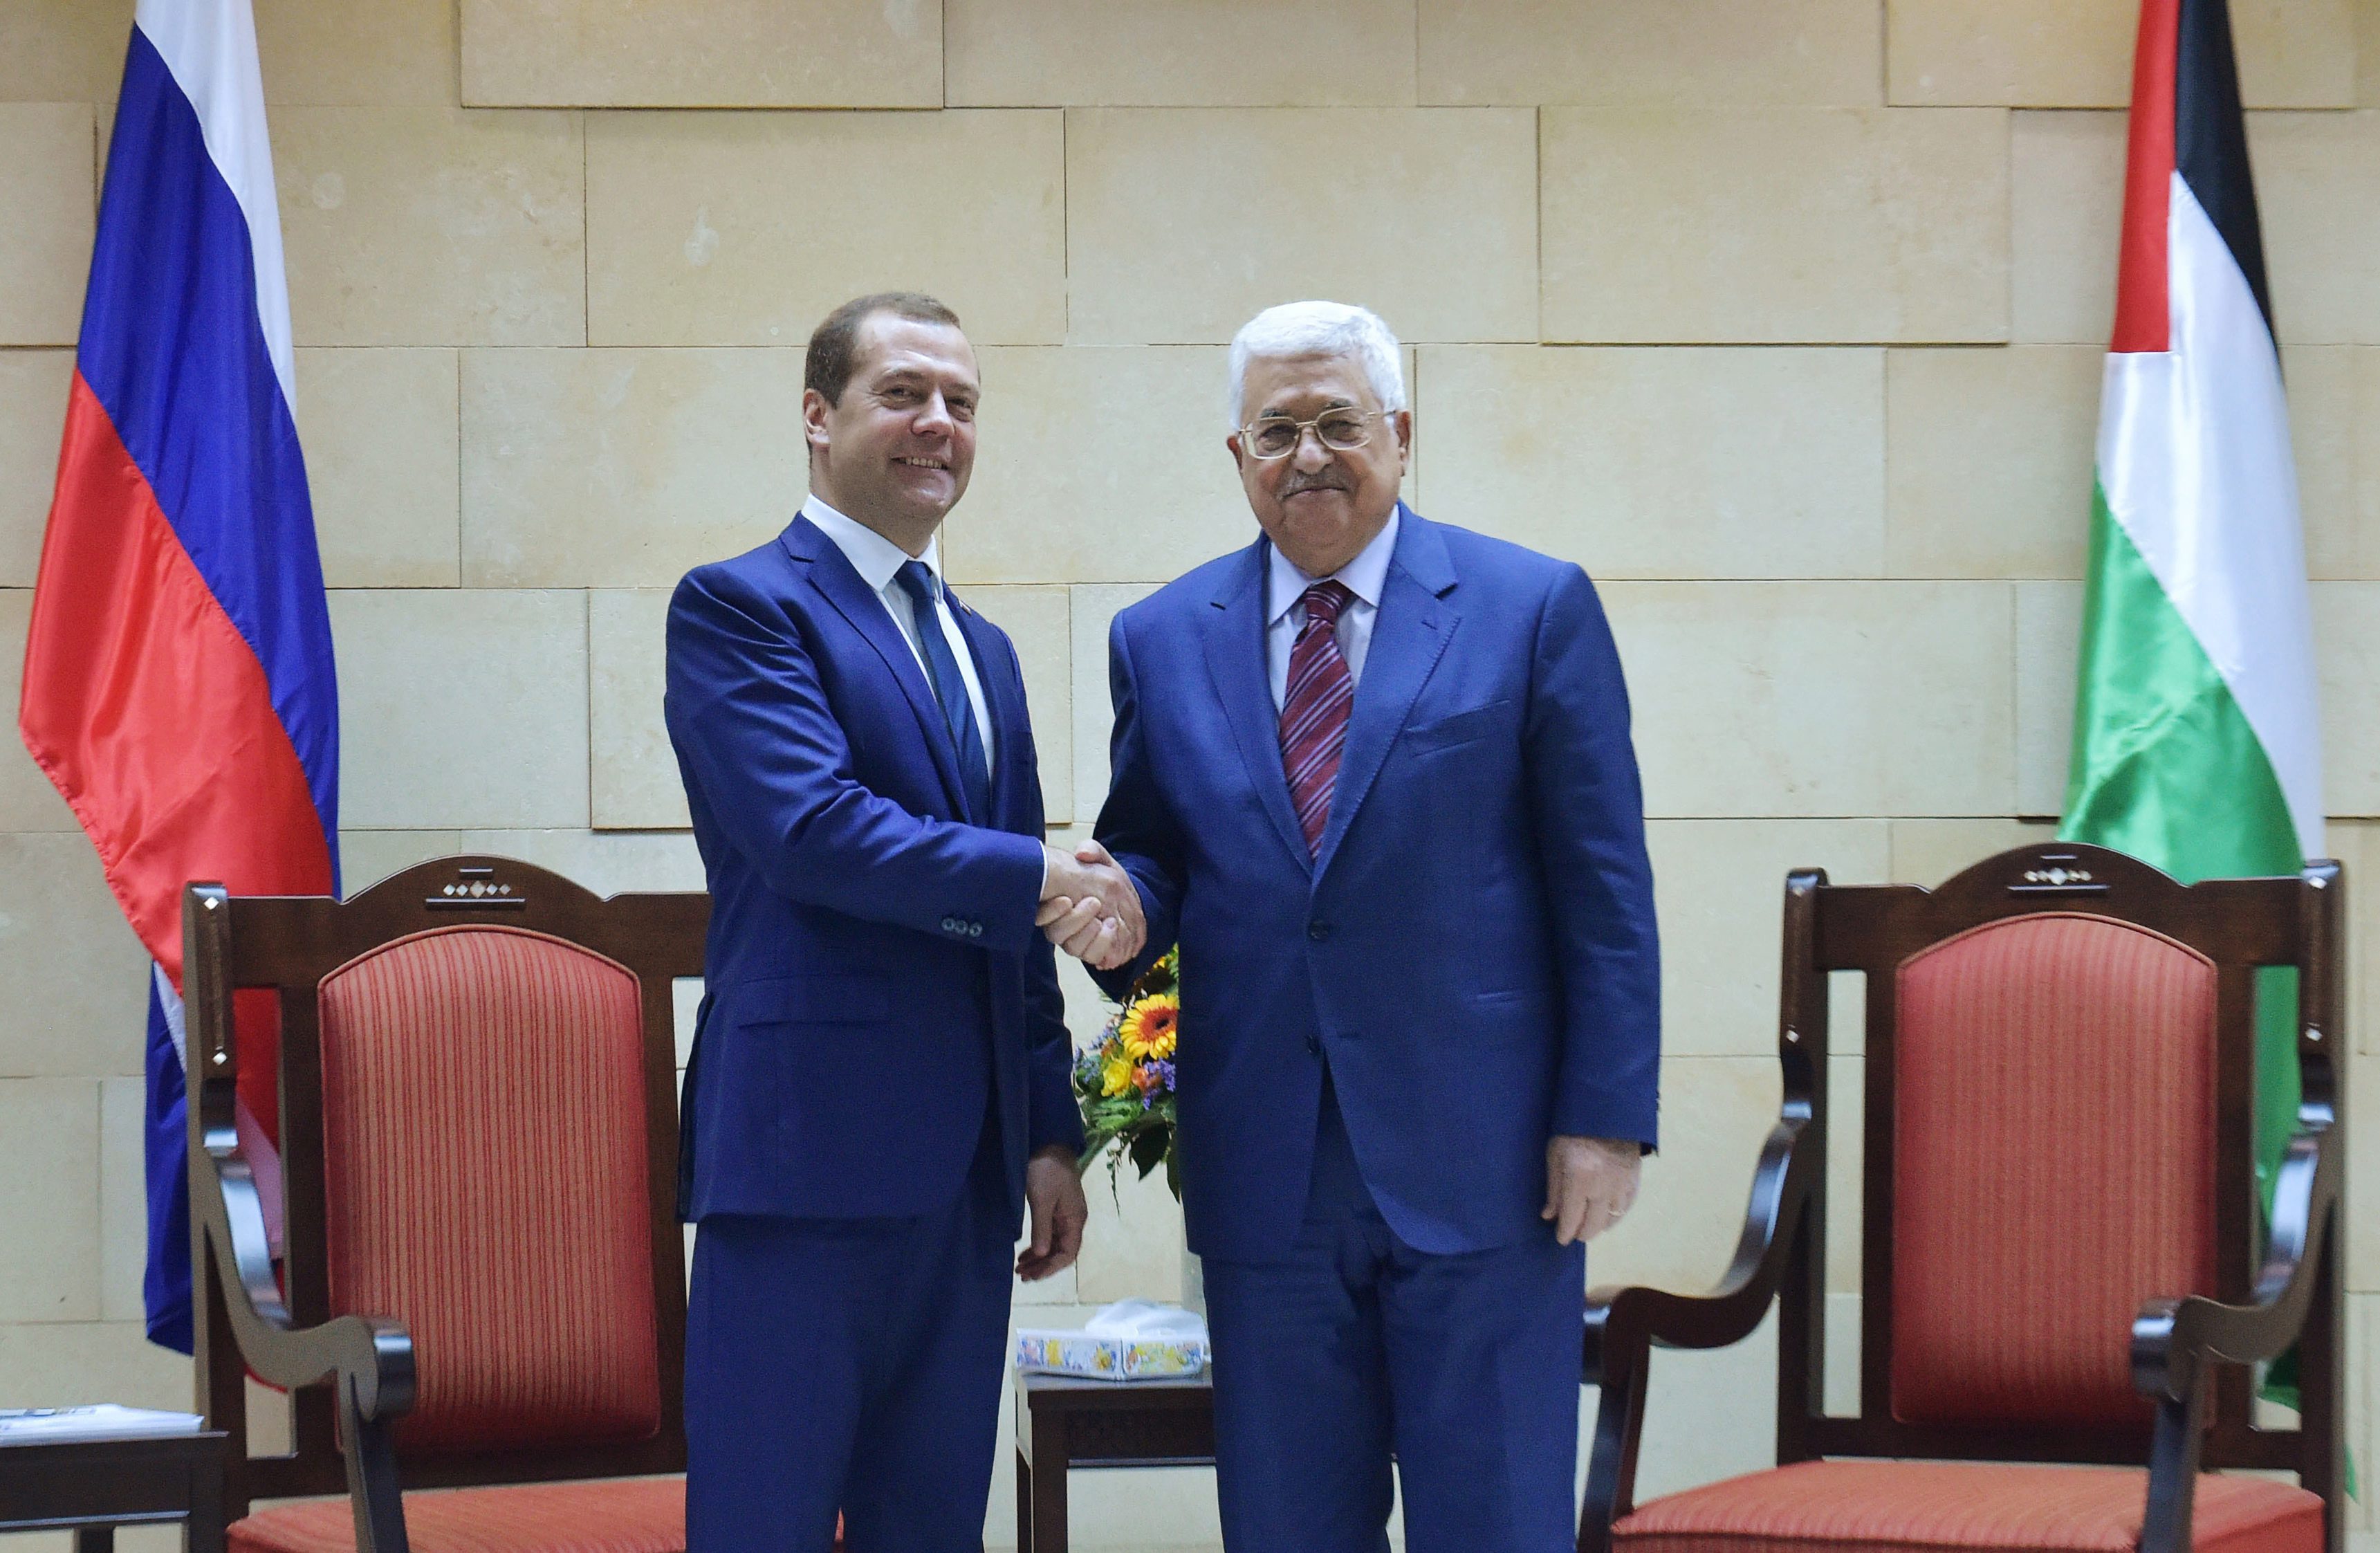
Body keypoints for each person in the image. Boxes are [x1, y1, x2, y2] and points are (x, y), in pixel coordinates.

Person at [1085, 300, 1660, 1552]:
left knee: (1497, 1524)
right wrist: (1120, 909)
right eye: (1276, 429)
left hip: (1491, 1164)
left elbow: (1603, 884)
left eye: (1337, 422)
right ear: (1235, 457)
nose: (1308, 454)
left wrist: (1604, 1118)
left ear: (1398, 434)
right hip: (1268, 1178)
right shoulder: (1160, 637)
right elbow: (1153, 849)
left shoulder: (1531, 605)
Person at [665, 291, 1143, 1552]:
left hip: (965, 1181)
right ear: (818, 419)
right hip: (802, 1161)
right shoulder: (738, 607)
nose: (938, 424)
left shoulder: (981, 649)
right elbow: (812, 831)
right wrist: (1038, 876)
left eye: (963, 403)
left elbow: (1010, 928)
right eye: (904, 394)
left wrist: (1047, 1130)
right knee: (762, 1527)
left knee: (932, 1531)